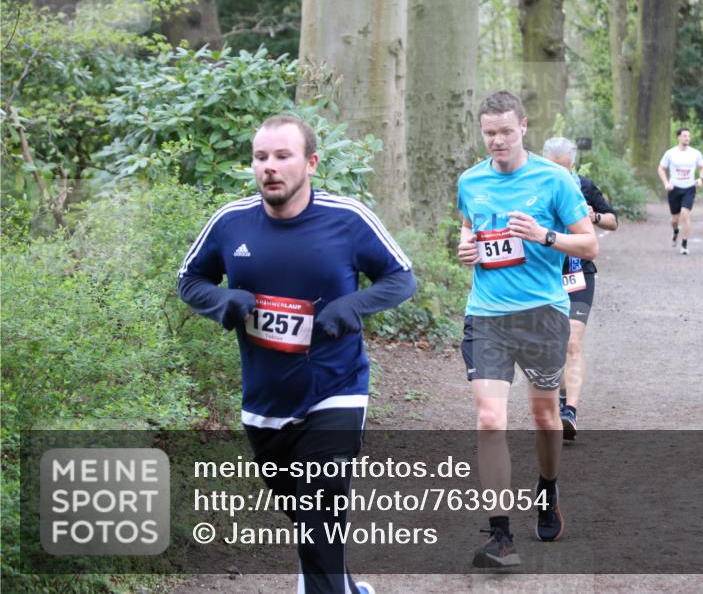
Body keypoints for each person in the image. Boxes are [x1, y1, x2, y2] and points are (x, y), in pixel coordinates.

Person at [177, 115, 416, 594]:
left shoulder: (347, 218)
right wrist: (224, 301)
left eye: (282, 156)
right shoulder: (230, 222)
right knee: (307, 518)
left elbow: (401, 278)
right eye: (260, 157)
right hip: (265, 401)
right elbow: (189, 281)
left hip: (336, 389)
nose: (270, 166)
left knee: (320, 507)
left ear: (311, 162)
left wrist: (353, 306)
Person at [456, 91, 597, 567]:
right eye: (489, 133)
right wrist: (466, 246)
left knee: (544, 416)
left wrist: (544, 236)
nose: (497, 140)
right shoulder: (470, 181)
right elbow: (469, 226)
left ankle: (548, 489)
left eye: (505, 131)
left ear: (523, 127)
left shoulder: (555, 179)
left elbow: (590, 244)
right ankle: (500, 536)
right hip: (487, 315)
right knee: (489, 419)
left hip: (542, 314)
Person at [540, 137, 619, 441]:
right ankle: (559, 399)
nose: (560, 174)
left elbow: (612, 220)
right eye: (553, 167)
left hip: (578, 274)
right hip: (543, 276)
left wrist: (593, 216)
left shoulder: (583, 186)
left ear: (572, 164)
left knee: (572, 342)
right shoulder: (532, 188)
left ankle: (569, 411)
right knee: (553, 346)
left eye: (564, 168)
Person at [656, 128, 703, 255]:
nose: (687, 138)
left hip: (689, 188)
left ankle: (684, 245)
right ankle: (675, 231)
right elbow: (661, 168)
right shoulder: (670, 153)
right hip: (674, 188)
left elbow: (702, 168)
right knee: (675, 219)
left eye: (688, 136)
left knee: (685, 214)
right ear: (678, 137)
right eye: (684, 136)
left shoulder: (695, 153)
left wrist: (700, 179)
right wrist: (666, 183)